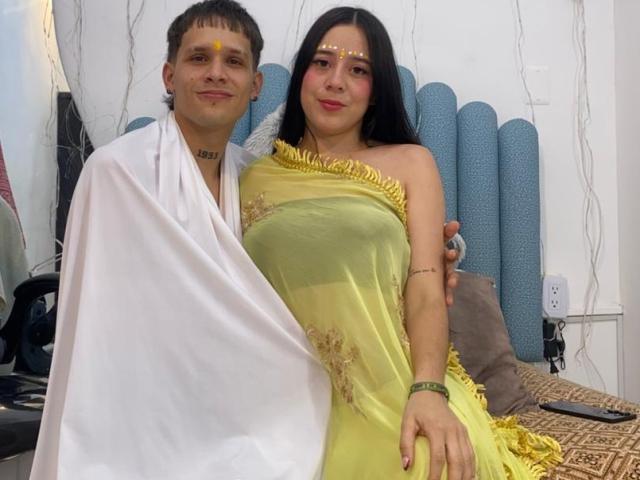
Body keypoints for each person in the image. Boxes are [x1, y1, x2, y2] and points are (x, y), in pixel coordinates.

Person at [239, 6, 562, 480]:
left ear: (377, 91)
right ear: (301, 73)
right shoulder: (248, 177)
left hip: (396, 381)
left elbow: (427, 288)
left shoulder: (411, 163)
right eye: (322, 63)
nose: (335, 82)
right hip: (280, 397)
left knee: (427, 464)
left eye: (358, 70)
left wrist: (428, 390)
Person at [29, 2, 333, 479]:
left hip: (247, 410)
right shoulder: (116, 172)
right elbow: (98, 329)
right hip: (142, 416)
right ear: (170, 76)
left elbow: (310, 276)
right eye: (199, 58)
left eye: (233, 61)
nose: (216, 73)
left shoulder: (259, 182)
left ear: (255, 85)